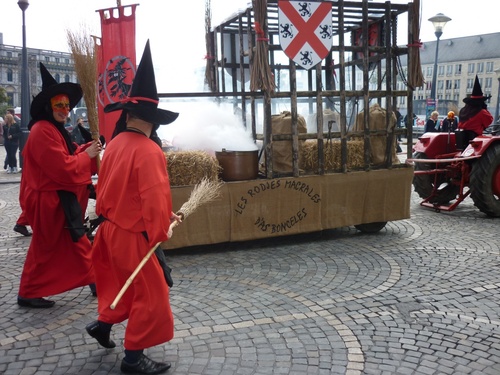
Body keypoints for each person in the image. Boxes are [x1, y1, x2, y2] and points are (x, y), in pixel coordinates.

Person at [87, 41, 180, 374]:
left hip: (108, 231)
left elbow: (117, 190)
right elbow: (153, 198)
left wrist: (163, 217)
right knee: (151, 296)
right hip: (130, 236)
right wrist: (161, 230)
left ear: (127, 114)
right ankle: (133, 358)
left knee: (121, 286)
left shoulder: (113, 146)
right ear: (153, 120)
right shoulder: (149, 151)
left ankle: (102, 325)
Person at [17, 62, 102, 308]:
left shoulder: (54, 129)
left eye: (67, 105)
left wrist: (91, 148)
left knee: (69, 243)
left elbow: (72, 152)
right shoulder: (43, 131)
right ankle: (31, 291)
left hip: (56, 200)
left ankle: (93, 280)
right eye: (59, 105)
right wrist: (86, 157)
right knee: (59, 244)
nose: (65, 110)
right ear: (48, 107)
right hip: (49, 201)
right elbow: (63, 166)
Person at [458, 75, 494, 147]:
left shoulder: (463, 110)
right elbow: (488, 121)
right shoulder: (482, 112)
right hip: (474, 138)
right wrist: (485, 109)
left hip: (460, 138)